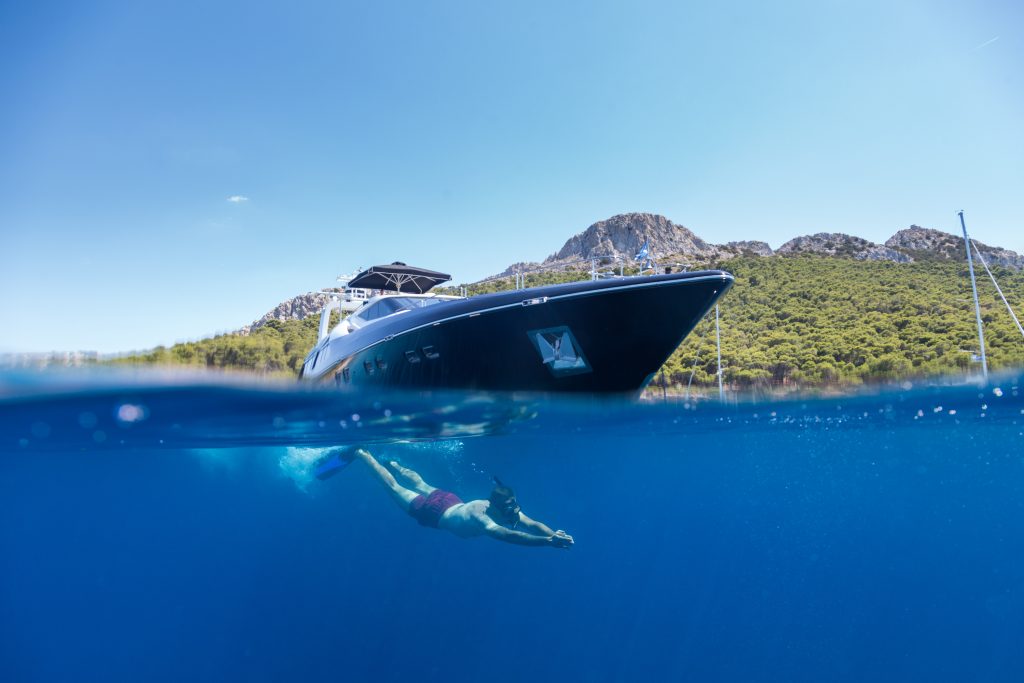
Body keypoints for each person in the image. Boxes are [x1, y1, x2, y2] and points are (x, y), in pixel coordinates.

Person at [350, 448, 574, 548]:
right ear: (493, 505)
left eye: (513, 504)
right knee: (393, 487)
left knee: (420, 483)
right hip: (434, 513)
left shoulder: (510, 509)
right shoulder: (482, 518)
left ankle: (396, 464)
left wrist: (552, 534)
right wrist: (545, 542)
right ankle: (362, 454)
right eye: (507, 506)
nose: (512, 510)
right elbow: (508, 535)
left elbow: (532, 524)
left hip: (451, 501)